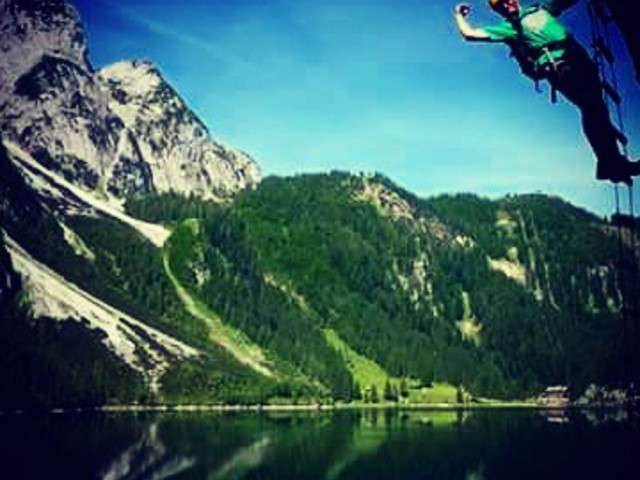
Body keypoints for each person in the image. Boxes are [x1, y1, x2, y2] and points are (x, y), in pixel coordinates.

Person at [454, 0, 640, 185]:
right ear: (498, 10)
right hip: (561, 67)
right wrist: (459, 16)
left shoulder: (542, 10)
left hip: (580, 61)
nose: (506, 4)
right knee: (591, 108)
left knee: (598, 110)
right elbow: (470, 34)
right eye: (500, 4)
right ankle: (610, 164)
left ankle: (613, 163)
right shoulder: (509, 28)